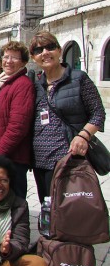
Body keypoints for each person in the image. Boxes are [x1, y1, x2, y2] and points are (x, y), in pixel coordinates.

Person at [29, 31, 105, 204]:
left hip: (69, 157)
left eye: (50, 47)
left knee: (71, 209)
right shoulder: (36, 84)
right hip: (41, 160)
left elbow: (98, 113)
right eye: (39, 50)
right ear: (34, 57)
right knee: (47, 206)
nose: (45, 52)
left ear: (59, 51)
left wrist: (83, 136)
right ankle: (49, 232)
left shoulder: (78, 79)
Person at [0, 42, 35, 199]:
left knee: (14, 199)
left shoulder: (22, 85)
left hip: (11, 156)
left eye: (14, 58)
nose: (9, 61)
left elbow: (17, 127)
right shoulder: (3, 83)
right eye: (6, 57)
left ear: (23, 62)